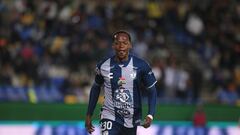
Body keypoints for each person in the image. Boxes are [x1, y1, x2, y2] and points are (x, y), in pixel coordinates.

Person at [85, 30, 157, 135]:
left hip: (132, 119)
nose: (121, 46)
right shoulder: (103, 66)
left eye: (125, 43)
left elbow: (152, 90)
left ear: (130, 45)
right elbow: (96, 87)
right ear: (113, 46)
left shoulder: (141, 65)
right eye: (117, 43)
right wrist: (89, 114)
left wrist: (150, 114)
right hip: (109, 116)